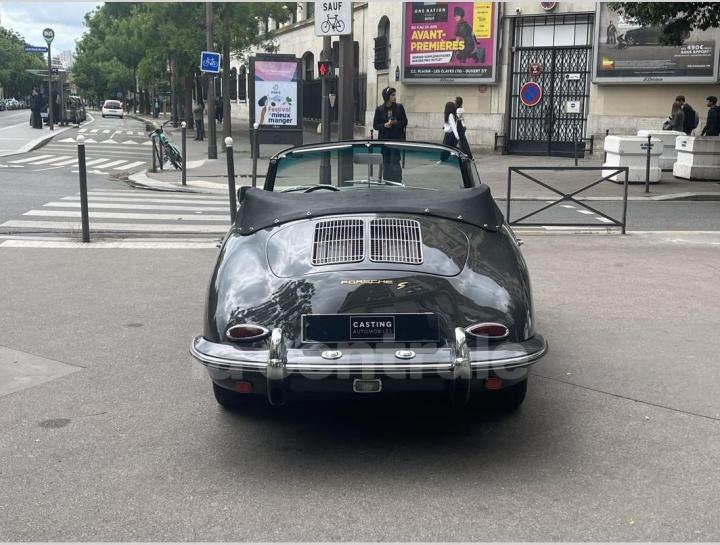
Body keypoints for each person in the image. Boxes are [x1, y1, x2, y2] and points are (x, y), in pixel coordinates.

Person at [372, 86, 408, 182]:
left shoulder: (399, 107)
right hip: (384, 139)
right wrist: (384, 125)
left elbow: (405, 121)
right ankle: (387, 180)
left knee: (395, 160)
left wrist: (396, 123)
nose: (395, 97)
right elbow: (375, 125)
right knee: (386, 160)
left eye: (395, 95)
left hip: (396, 138)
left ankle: (397, 180)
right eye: (392, 95)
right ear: (387, 96)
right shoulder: (379, 109)